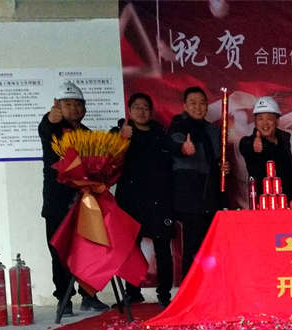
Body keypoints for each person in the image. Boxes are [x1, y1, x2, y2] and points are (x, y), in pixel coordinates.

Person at [38, 81, 109, 315]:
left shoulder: (87, 134)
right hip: (57, 203)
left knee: (88, 248)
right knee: (59, 250)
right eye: (67, 104)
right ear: (57, 106)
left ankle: (89, 296)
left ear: (85, 108)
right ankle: (64, 299)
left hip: (85, 202)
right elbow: (46, 127)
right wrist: (50, 119)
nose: (74, 108)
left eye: (78, 104)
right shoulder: (52, 128)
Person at [113, 93, 174, 307]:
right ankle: (132, 292)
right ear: (129, 110)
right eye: (137, 107)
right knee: (131, 247)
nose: (141, 111)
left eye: (146, 107)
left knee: (163, 248)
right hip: (131, 200)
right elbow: (108, 159)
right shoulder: (119, 132)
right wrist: (122, 138)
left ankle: (164, 294)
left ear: (151, 111)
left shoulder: (161, 133)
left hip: (159, 200)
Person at [167, 86, 229, 277]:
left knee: (211, 247)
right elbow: (174, 144)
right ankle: (189, 287)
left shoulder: (213, 130)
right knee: (192, 248)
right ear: (185, 106)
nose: (198, 107)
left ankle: (209, 288)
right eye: (192, 103)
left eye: (202, 103)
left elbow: (217, 161)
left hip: (211, 196)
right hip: (190, 199)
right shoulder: (178, 126)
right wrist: (183, 148)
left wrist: (223, 167)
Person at [238, 96, 292, 197]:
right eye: (260, 119)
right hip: (264, 203)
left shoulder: (284, 139)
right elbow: (244, 145)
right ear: (255, 122)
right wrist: (253, 145)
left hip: (289, 201)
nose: (265, 123)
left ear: (277, 121)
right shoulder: (250, 142)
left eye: (269, 119)